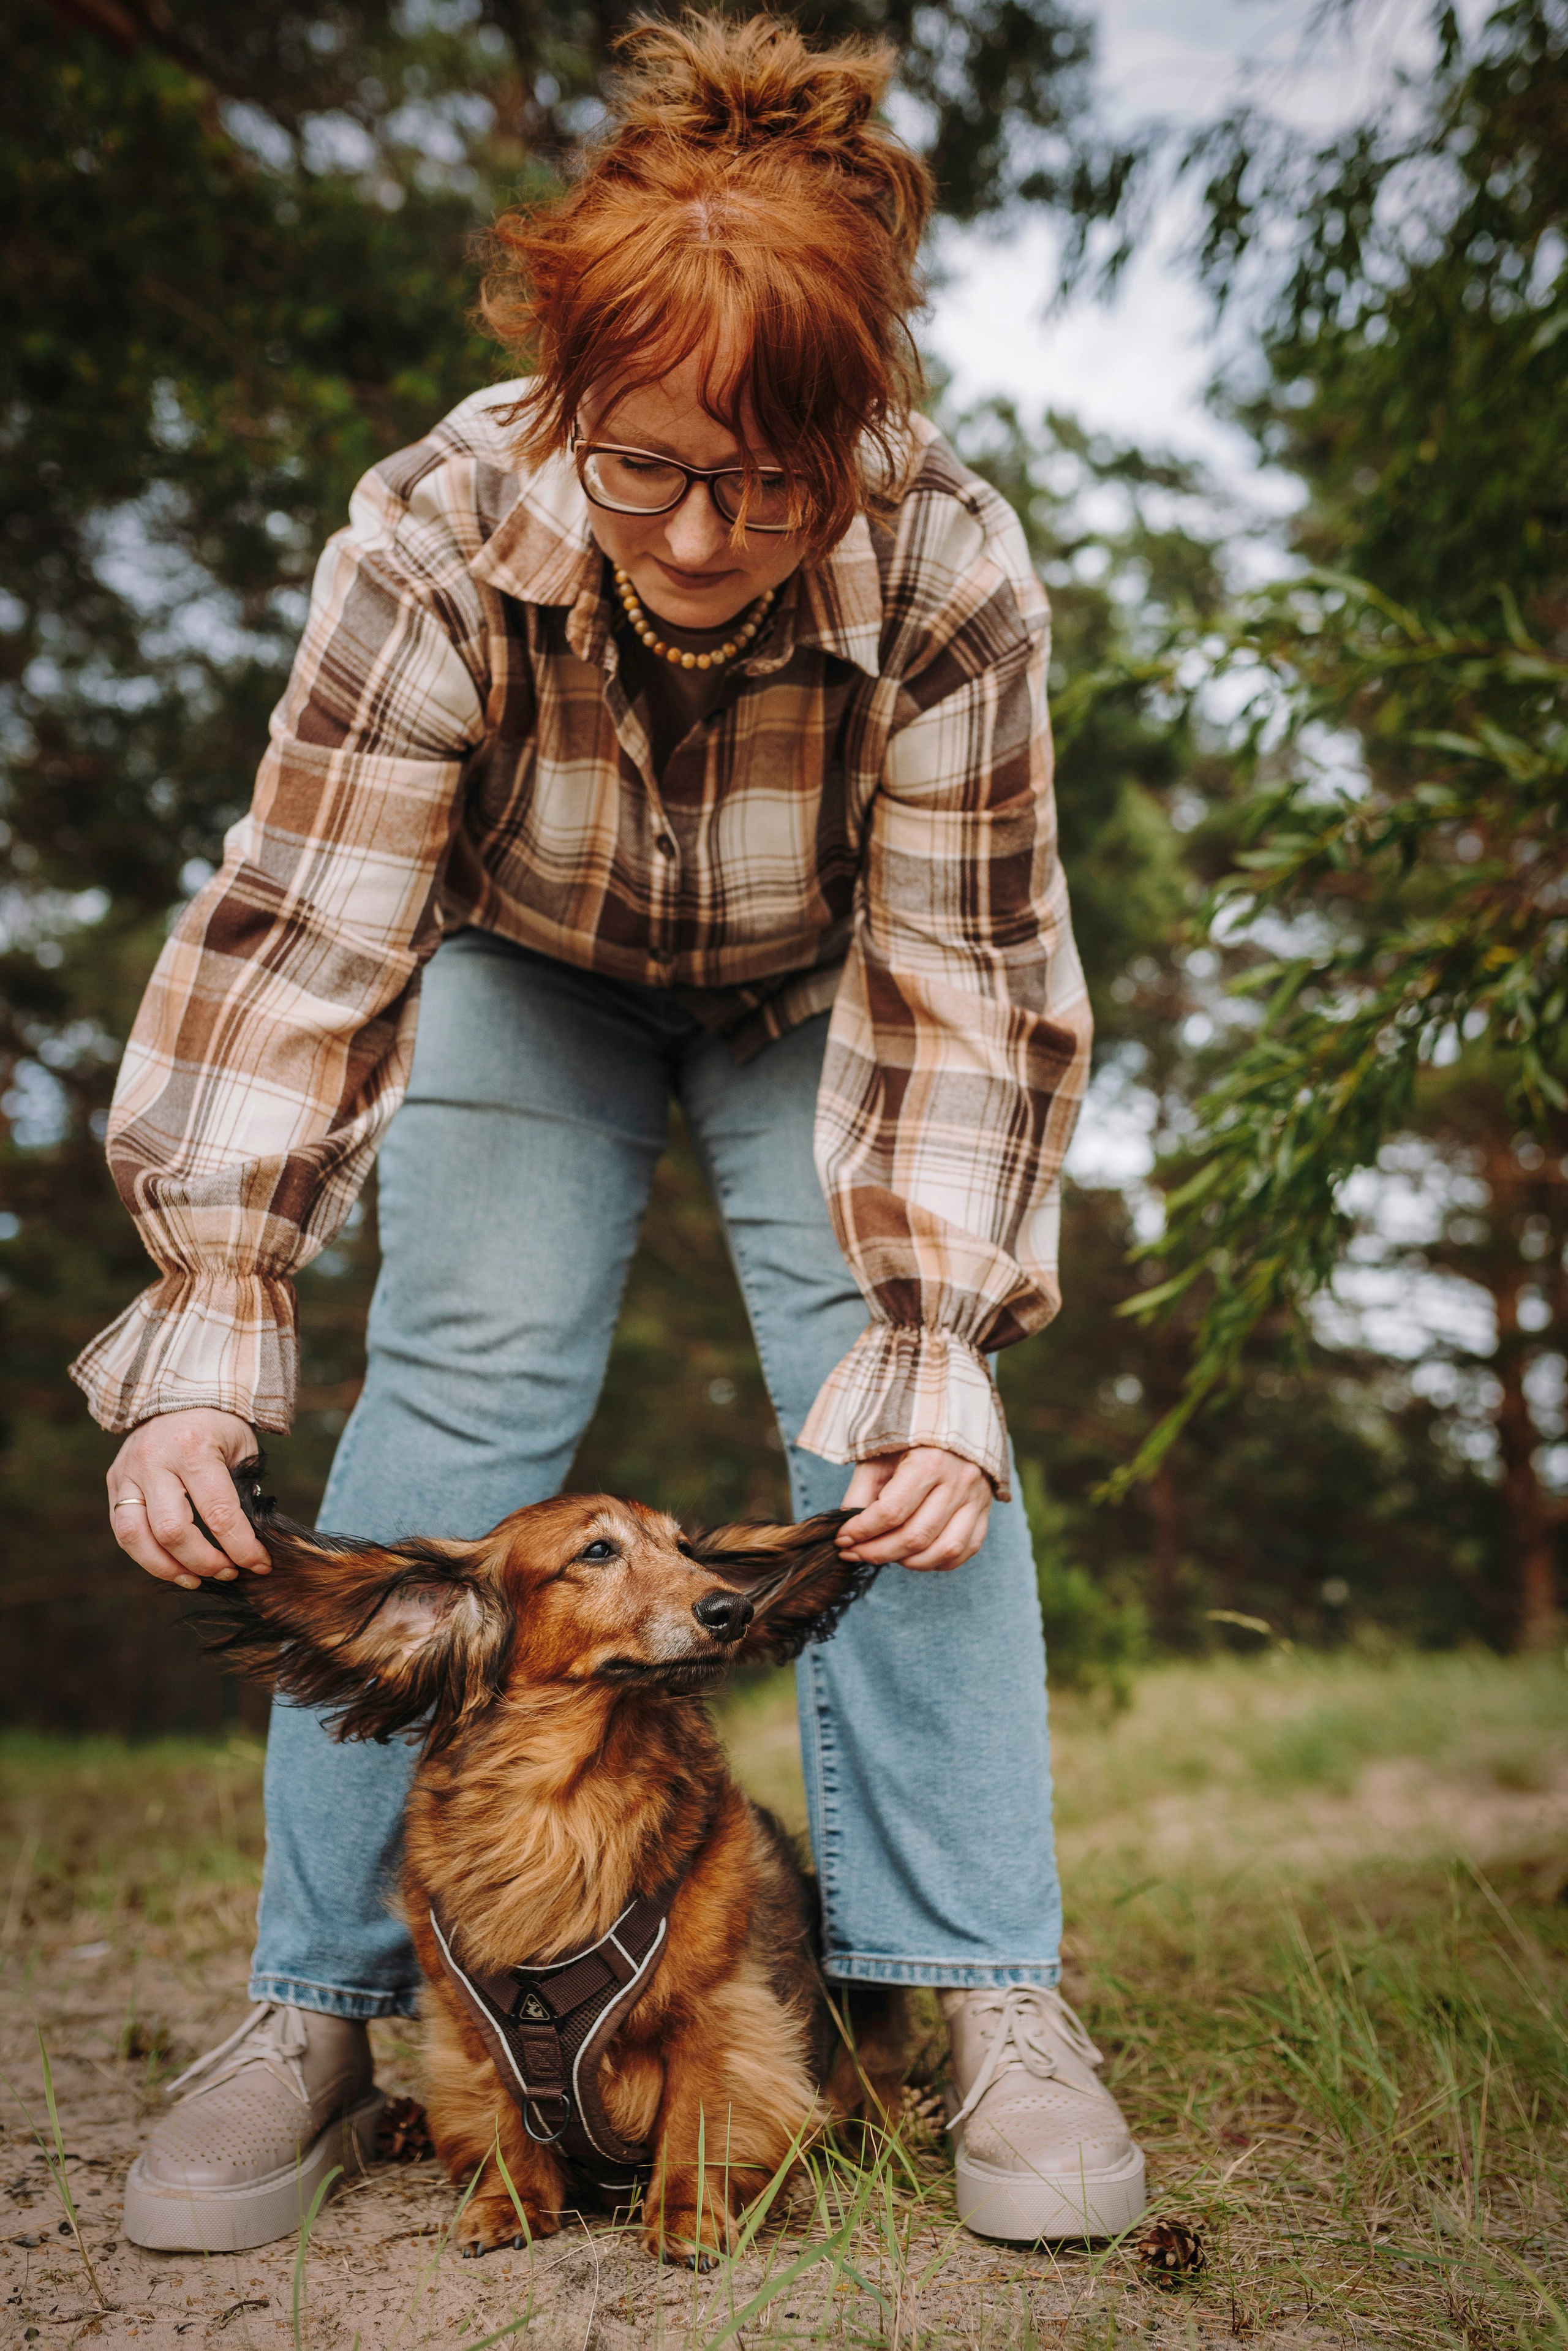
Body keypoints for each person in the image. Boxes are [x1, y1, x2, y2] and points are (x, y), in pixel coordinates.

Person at [74, 12, 1145, 2255]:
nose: (703, 532)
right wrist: (214, 1286)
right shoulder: (440, 524)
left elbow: (973, 979)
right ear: (571, 407)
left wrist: (937, 1326)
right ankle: (327, 2001)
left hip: (827, 990)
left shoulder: (951, 569)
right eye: (650, 469)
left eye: (772, 486)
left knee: (907, 1442)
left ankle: (985, 1993)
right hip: (521, 970)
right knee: (458, 1390)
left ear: (855, 441)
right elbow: (308, 927)